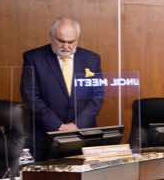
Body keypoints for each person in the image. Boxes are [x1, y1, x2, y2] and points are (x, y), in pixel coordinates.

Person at [20, 17, 103, 160]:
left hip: (83, 134)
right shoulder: (34, 58)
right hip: (46, 135)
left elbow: (97, 96)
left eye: (71, 42)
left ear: (77, 38)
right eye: (61, 41)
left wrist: (77, 124)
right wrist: (57, 125)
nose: (66, 46)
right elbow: (30, 96)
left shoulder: (92, 59)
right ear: (51, 37)